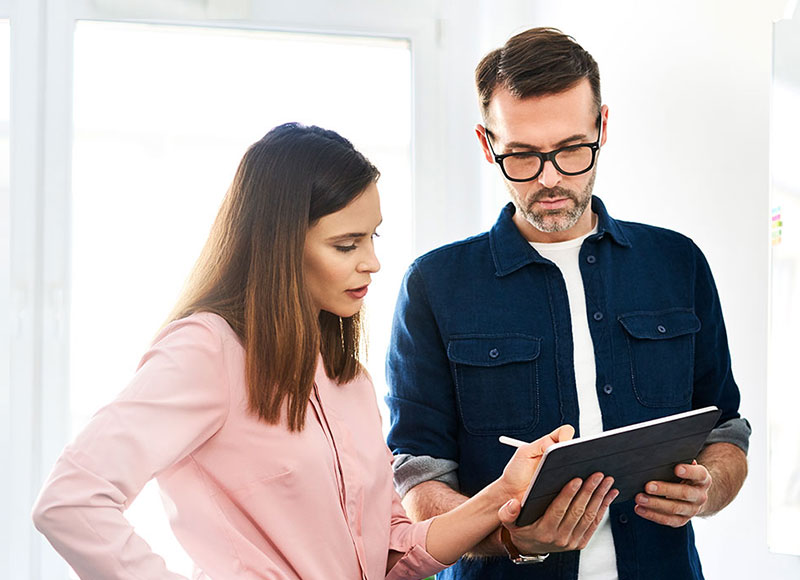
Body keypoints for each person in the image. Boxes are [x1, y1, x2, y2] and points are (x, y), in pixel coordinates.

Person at [31, 123, 602, 580]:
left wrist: (504, 492)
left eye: (373, 236)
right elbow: (70, 501)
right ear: (280, 244)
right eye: (345, 244)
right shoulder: (207, 352)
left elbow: (394, 550)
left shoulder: (346, 379)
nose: (372, 262)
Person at [386, 28, 751, 580]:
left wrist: (707, 490)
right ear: (488, 145)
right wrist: (509, 535)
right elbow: (419, 478)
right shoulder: (434, 284)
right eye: (523, 156)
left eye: (572, 150)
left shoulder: (678, 263)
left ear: (603, 127)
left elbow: (725, 433)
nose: (551, 178)